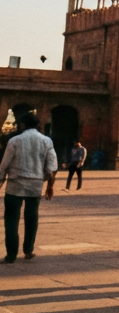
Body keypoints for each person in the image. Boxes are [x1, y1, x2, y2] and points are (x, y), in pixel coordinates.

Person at [0, 112, 57, 263]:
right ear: (38, 125)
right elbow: (52, 166)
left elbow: (4, 165)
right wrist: (50, 186)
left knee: (11, 219)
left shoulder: (14, 141)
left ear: (23, 125)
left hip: (15, 184)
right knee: (31, 218)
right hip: (35, 184)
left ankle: (11, 254)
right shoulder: (46, 141)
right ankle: (28, 251)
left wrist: (0, 181)